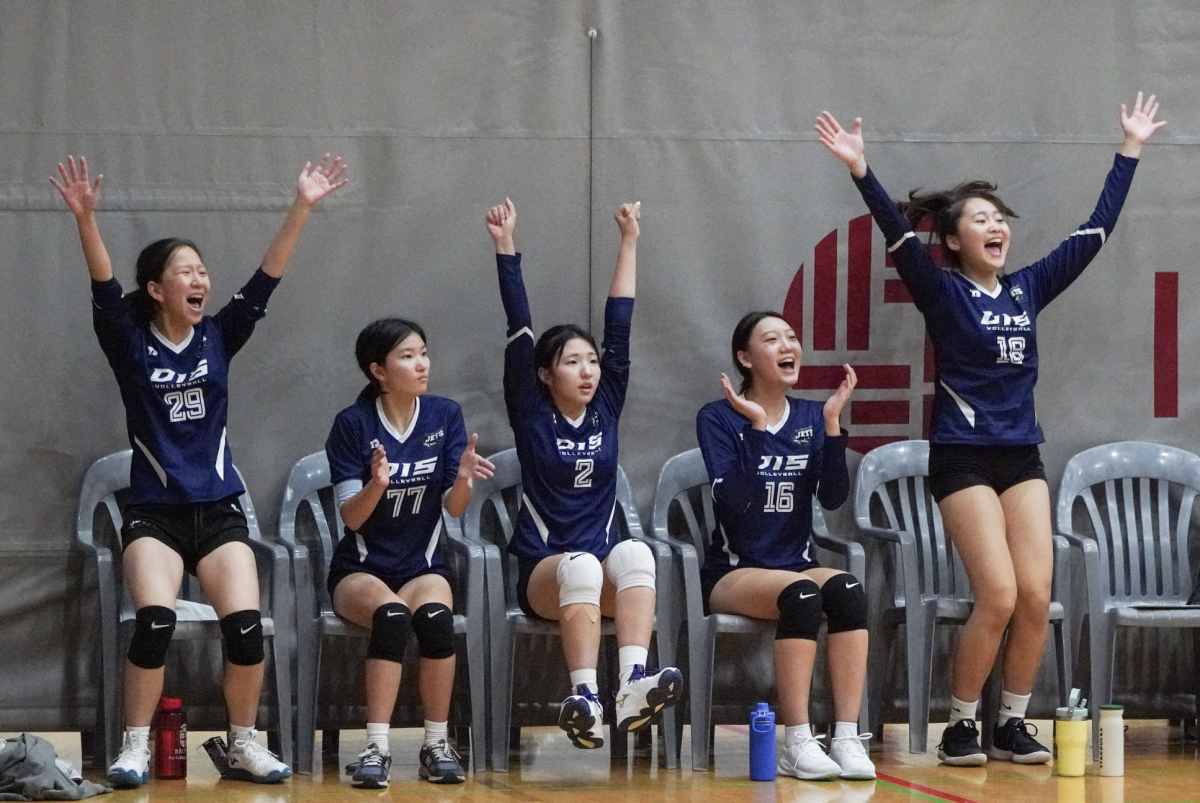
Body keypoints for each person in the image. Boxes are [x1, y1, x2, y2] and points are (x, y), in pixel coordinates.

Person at [815, 92, 1164, 766]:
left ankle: (1011, 721)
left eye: (1000, 218)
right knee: (998, 592)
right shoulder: (940, 288)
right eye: (980, 219)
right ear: (953, 239)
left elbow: (1094, 233)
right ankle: (960, 725)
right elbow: (894, 232)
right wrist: (861, 170)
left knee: (1037, 592)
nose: (995, 225)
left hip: (1019, 458)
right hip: (962, 459)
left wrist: (1131, 150)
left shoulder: (1028, 289)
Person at [52, 154, 348, 786]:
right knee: (154, 623)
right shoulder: (130, 343)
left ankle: (242, 744)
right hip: (154, 514)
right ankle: (134, 746)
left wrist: (302, 204)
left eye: (203, 270)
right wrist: (85, 220)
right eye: (185, 271)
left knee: (245, 628)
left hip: (218, 511)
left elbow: (267, 278)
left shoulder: (218, 335)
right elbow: (105, 289)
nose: (200, 279)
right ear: (157, 289)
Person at [485, 198, 682, 749]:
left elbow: (619, 323)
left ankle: (632, 686)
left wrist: (629, 240)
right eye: (573, 362)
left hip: (597, 569)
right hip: (546, 576)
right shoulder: (531, 409)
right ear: (546, 374)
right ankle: (584, 699)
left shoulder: (606, 407)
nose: (588, 370)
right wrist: (506, 248)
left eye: (591, 361)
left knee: (639, 553)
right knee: (582, 568)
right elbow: (519, 324)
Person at [697, 313, 870, 780]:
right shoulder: (718, 417)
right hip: (734, 571)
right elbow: (735, 502)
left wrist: (832, 425)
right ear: (745, 358)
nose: (787, 345)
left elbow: (833, 497)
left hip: (796, 562)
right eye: (771, 339)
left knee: (849, 590)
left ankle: (847, 737)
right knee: (801, 595)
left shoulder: (813, 416)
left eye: (791, 337)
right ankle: (796, 740)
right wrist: (755, 429)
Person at [325, 318, 495, 787]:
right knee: (394, 617)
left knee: (437, 621)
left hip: (422, 565)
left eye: (423, 352)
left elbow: (453, 509)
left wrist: (462, 478)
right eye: (407, 355)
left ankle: (436, 744)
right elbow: (351, 518)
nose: (421, 364)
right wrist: (377, 485)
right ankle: (376, 749)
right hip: (361, 569)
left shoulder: (443, 416)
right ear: (378, 370)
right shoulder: (353, 425)